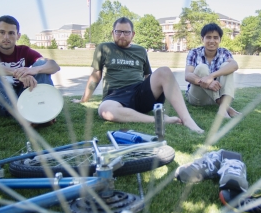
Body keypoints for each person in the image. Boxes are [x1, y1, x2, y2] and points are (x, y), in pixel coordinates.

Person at [73, 17, 203, 133]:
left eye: (126, 32)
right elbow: (96, 75)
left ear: (133, 34)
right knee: (105, 110)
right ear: (113, 33)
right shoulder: (104, 48)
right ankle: (157, 120)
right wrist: (84, 99)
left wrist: (157, 103)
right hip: (115, 96)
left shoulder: (140, 51)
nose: (122, 35)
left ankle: (187, 120)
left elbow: (148, 77)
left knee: (164, 71)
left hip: (139, 93)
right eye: (118, 31)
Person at [0, 16, 60, 118]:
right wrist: (16, 73)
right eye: (2, 32)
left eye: (11, 33)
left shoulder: (24, 51)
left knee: (41, 65)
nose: (6, 37)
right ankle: (22, 114)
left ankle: (43, 107)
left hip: (20, 101)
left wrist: (33, 70)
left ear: (18, 35)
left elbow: (54, 66)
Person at [184, 23, 240, 119]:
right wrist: (206, 83)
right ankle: (225, 107)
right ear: (202, 39)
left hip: (215, 97)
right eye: (208, 37)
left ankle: (222, 109)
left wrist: (211, 76)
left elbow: (234, 65)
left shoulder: (225, 52)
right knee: (202, 68)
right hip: (198, 98)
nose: (212, 41)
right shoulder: (194, 52)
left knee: (227, 66)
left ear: (220, 40)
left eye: (215, 37)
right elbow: (188, 75)